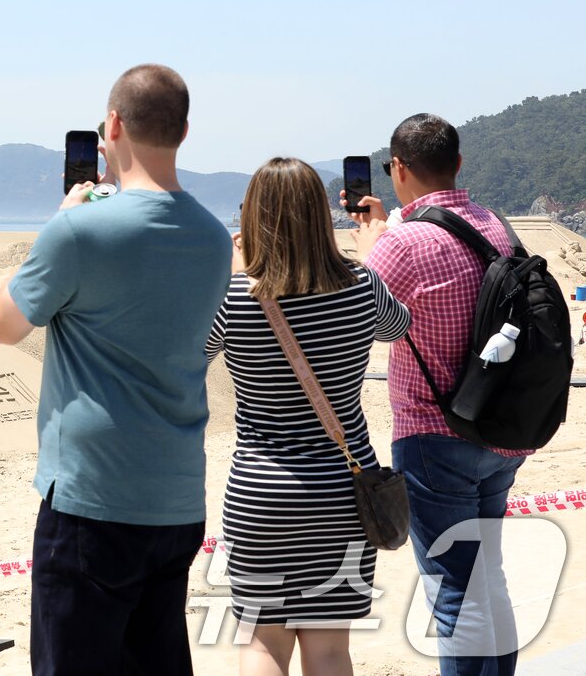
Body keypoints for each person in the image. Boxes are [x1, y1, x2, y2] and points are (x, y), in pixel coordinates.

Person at [0, 64, 232, 675]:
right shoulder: (212, 237)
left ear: (113, 125)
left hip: (92, 495)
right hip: (175, 495)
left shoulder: (79, 230)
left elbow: (5, 324)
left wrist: (64, 216)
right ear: (184, 130)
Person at [206, 158, 410, 676]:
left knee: (262, 644)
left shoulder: (232, 296)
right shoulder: (362, 286)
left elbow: (186, 361)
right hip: (344, 492)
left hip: (260, 491)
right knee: (330, 649)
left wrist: (231, 275)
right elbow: (397, 326)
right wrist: (373, 255)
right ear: (322, 216)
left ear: (251, 219)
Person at [347, 113, 532, 676]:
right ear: (458, 164)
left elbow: (361, 319)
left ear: (397, 168)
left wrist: (370, 247)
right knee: (487, 580)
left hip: (434, 434)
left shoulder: (400, 244)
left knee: (453, 592)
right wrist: (394, 223)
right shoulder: (497, 226)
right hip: (502, 430)